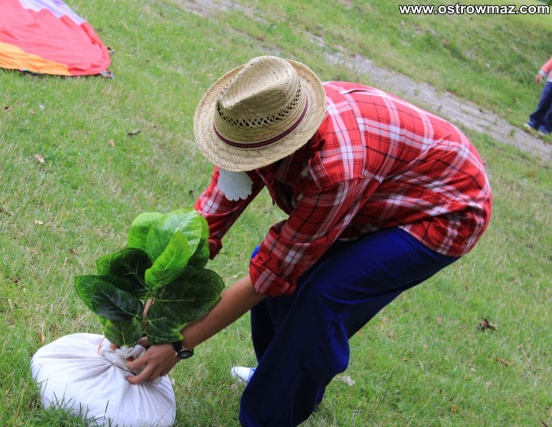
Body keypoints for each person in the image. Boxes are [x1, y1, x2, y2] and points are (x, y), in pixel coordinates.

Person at [126, 56, 493, 426]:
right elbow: (207, 223)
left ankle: (270, 414)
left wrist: (179, 344)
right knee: (283, 277)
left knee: (323, 296)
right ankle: (281, 379)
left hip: (446, 208)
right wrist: (155, 301)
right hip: (380, 186)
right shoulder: (253, 122)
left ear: (283, 145)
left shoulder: (332, 168)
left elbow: (270, 274)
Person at [525, 56, 552, 135]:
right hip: (550, 83)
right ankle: (534, 121)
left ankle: (545, 127)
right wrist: (542, 73)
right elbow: (550, 63)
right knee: (543, 101)